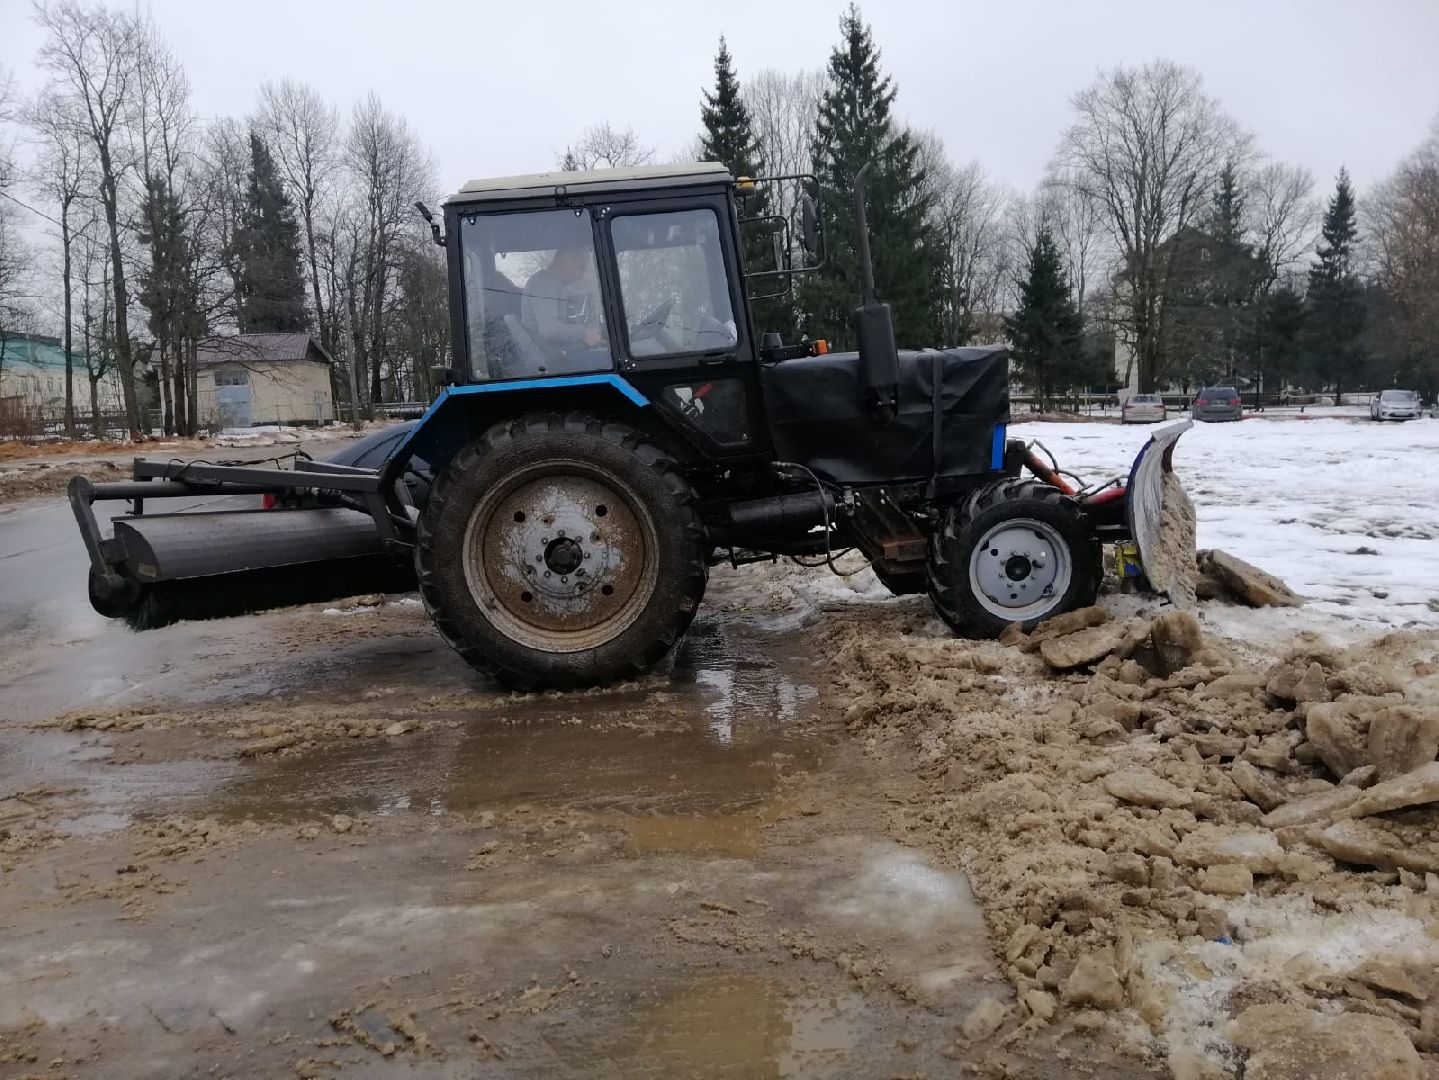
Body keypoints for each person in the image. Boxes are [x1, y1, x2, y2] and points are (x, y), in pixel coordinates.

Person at [520, 245, 605, 352]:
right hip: (549, 357)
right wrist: (583, 333)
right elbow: (548, 330)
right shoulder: (544, 283)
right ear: (565, 260)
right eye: (581, 267)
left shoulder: (558, 285)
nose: (582, 275)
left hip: (558, 352)